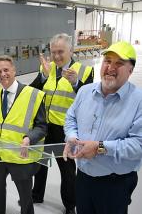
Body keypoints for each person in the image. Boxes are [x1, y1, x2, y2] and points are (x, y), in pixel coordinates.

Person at [63, 41, 142, 214]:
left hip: (115, 184)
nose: (111, 67)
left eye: (119, 63)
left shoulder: (138, 101)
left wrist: (100, 147)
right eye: (107, 60)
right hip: (83, 178)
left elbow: (139, 145)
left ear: (130, 70)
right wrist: (71, 136)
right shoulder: (85, 92)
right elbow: (70, 118)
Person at [30, 33, 94, 214]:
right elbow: (33, 93)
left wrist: (76, 83)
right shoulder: (47, 68)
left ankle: (70, 205)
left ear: (71, 51)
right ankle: (37, 194)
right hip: (44, 128)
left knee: (67, 170)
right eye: (53, 52)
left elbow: (90, 100)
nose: (56, 56)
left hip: (66, 132)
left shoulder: (84, 71)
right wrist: (42, 76)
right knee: (40, 164)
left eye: (61, 52)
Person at [0, 55, 47, 214]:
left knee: (25, 197)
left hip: (20, 156)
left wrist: (29, 137)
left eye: (6, 70)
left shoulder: (33, 95)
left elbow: (41, 126)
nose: (3, 74)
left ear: (14, 70)